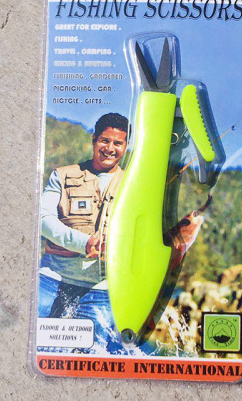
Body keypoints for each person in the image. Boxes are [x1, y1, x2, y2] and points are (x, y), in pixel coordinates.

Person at [37, 112, 205, 353]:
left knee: (92, 356)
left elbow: (144, 237)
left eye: (118, 143)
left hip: (102, 291)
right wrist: (84, 243)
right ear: (94, 140)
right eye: (105, 141)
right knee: (35, 344)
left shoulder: (135, 186)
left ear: (126, 147)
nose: (110, 148)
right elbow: (43, 220)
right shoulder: (61, 175)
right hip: (51, 279)